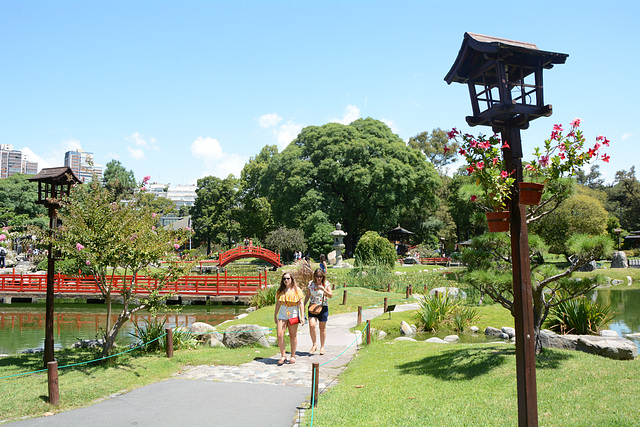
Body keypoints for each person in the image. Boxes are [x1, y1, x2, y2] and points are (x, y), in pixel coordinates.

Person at [273, 273, 305, 364]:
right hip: (283, 312)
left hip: (293, 312)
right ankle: (283, 355)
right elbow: (278, 303)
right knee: (280, 334)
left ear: (291, 279)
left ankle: (293, 355)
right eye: (284, 279)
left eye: (288, 278)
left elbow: (301, 303)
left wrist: (302, 316)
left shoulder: (297, 290)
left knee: (293, 335)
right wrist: (275, 314)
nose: (286, 280)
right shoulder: (280, 291)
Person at [305, 268, 333, 355]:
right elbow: (307, 295)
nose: (319, 278)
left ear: (323, 276)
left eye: (320, 276)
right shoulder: (311, 284)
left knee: (322, 328)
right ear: (315, 276)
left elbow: (331, 295)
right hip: (313, 307)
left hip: (323, 307)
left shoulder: (326, 284)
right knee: (312, 325)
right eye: (317, 276)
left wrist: (323, 290)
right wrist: (302, 305)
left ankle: (322, 347)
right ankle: (314, 345)